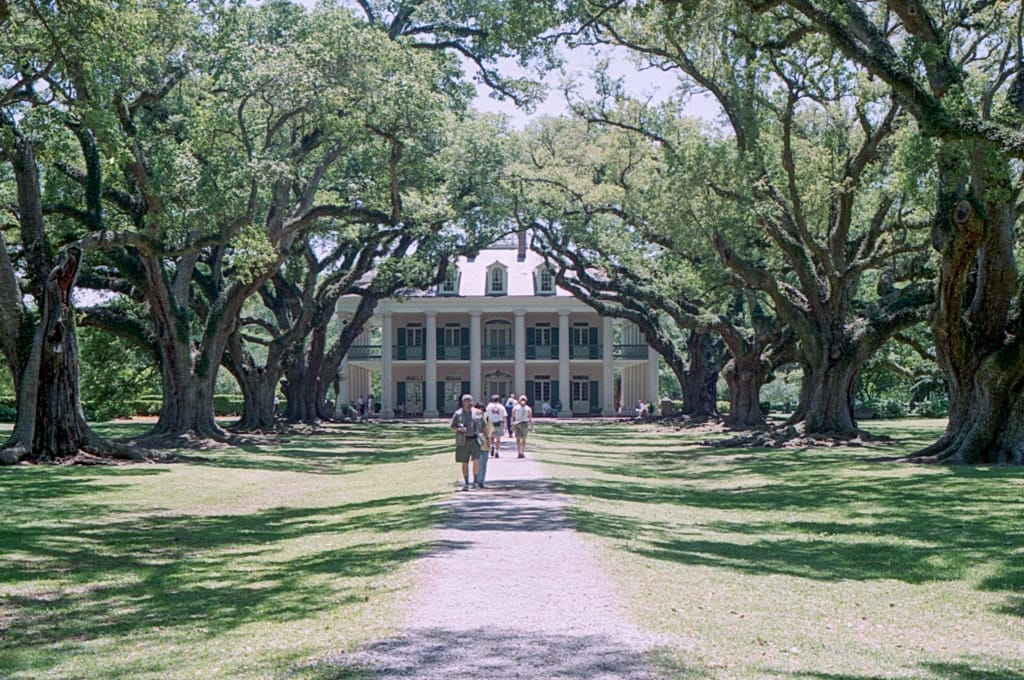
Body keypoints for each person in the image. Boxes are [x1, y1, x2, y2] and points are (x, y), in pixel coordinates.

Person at [450, 394, 487, 490]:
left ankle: (475, 482)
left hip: (475, 439)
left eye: (471, 401)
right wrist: (459, 429)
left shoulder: (478, 413)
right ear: (463, 402)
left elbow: (484, 426)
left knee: (476, 461)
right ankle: (466, 482)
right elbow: (452, 427)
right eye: (467, 401)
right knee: (464, 462)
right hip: (463, 440)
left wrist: (486, 438)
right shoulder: (458, 414)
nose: (469, 403)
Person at [511, 395, 534, 459]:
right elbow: (530, 418)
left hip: (517, 423)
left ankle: (519, 452)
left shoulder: (515, 407)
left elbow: (512, 417)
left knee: (518, 439)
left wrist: (512, 424)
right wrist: (532, 427)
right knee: (523, 439)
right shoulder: (528, 408)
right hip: (524, 424)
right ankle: (522, 452)